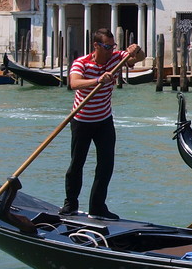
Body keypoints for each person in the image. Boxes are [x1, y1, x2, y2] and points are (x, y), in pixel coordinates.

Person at [61, 28, 143, 220]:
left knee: (106, 164)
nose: (110, 50)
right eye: (106, 46)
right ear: (96, 46)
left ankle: (97, 207)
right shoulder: (81, 63)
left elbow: (137, 58)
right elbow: (74, 83)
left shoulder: (115, 58)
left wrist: (136, 50)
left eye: (112, 46)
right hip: (81, 121)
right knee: (77, 164)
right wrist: (97, 80)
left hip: (104, 120)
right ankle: (70, 204)